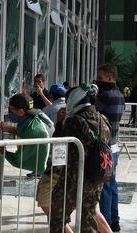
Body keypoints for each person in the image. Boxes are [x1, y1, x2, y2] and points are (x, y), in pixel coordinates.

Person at [50, 84, 112, 233]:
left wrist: (59, 123)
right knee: (88, 214)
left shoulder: (75, 121)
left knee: (58, 214)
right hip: (98, 176)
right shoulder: (103, 119)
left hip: (75, 178)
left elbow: (58, 143)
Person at [95, 64, 125, 232]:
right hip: (113, 146)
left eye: (100, 78)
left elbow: (93, 113)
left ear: (109, 77)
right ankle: (114, 220)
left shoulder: (105, 95)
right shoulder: (119, 94)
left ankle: (105, 223)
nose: (98, 81)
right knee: (112, 185)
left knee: (104, 187)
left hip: (104, 147)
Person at [0, 94, 54, 176]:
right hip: (55, 164)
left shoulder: (32, 131)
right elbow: (25, 130)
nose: (8, 112)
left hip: (52, 172)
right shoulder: (37, 115)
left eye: (10, 109)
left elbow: (19, 160)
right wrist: (9, 129)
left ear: (21, 112)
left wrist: (3, 152)